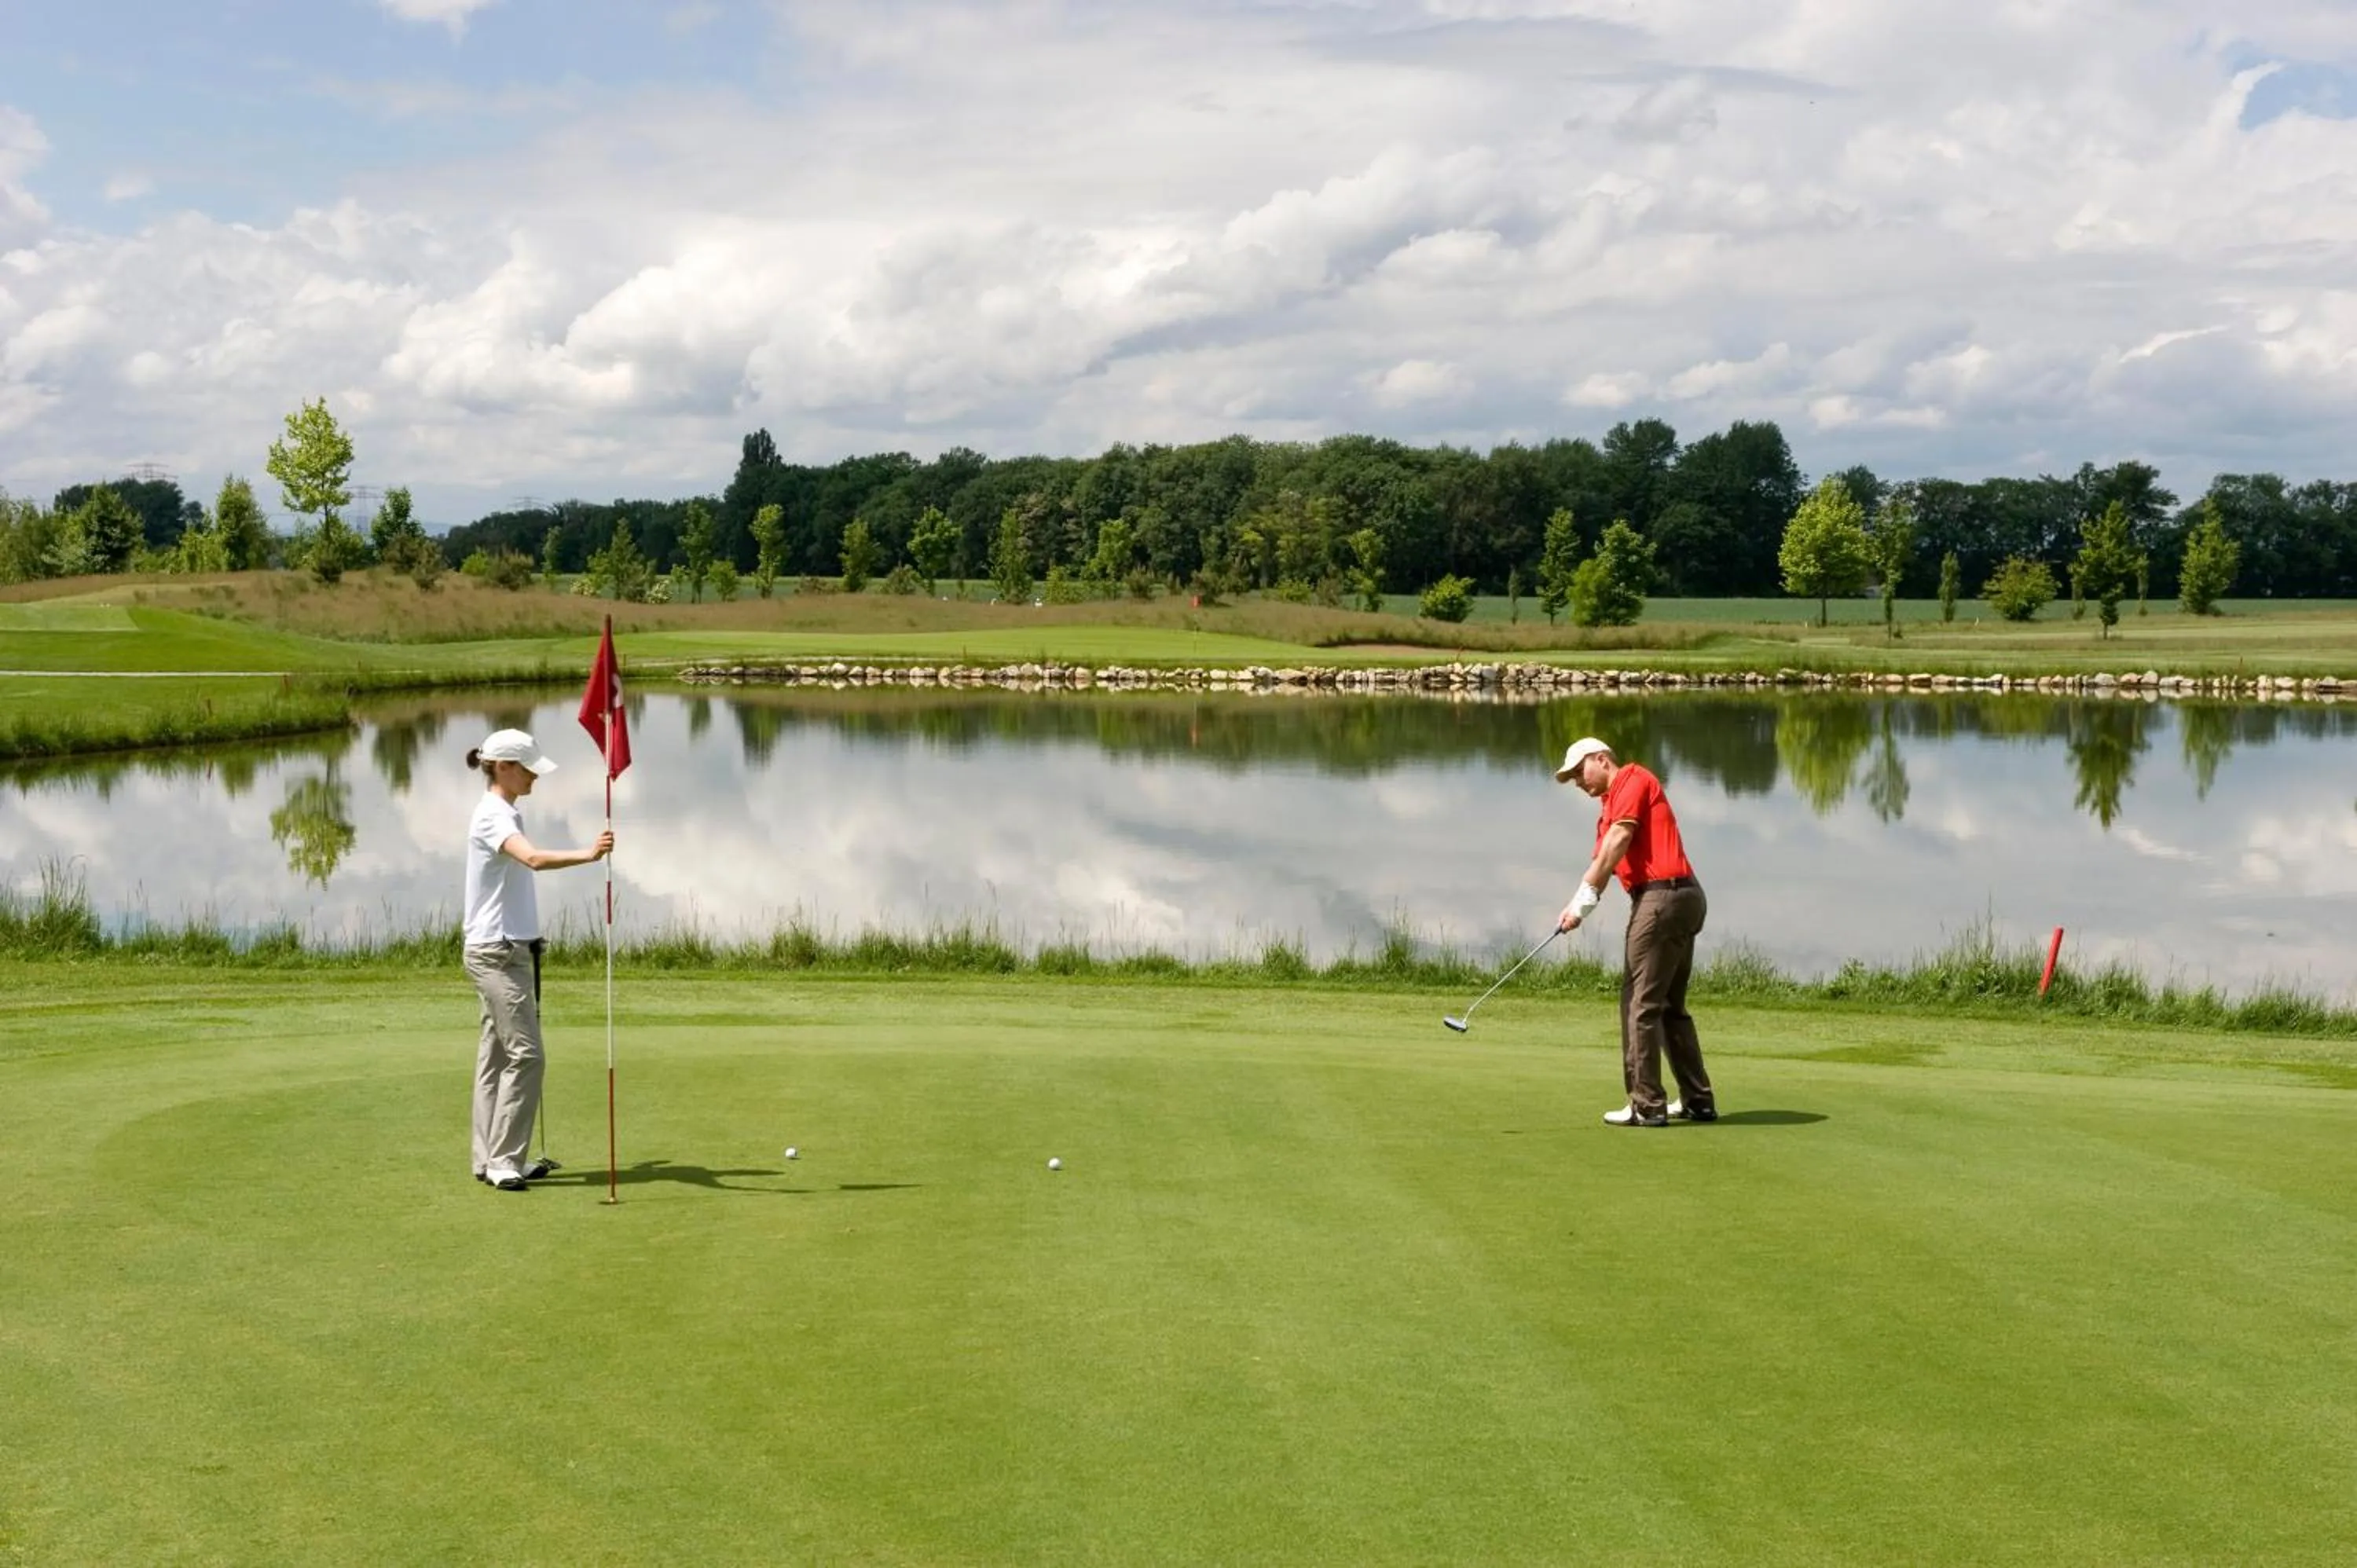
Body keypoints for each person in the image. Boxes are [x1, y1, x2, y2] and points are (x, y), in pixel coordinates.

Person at [462, 728, 614, 1191]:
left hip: (513, 949)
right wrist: (589, 854)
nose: (534, 778)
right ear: (503, 767)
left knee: (497, 1056)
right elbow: (531, 860)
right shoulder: (493, 816)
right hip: (497, 953)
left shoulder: (507, 811)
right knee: (527, 1056)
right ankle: (504, 1160)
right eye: (528, 769)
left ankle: (491, 1157)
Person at [1554, 736, 1717, 1128]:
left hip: (1663, 898)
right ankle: (1697, 1100)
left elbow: (1618, 842)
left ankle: (1646, 1103)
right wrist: (1580, 904)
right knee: (1667, 1006)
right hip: (1681, 898)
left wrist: (1584, 897)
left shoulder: (1631, 779)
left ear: (1601, 759)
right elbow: (1605, 858)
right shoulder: (1608, 809)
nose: (1578, 781)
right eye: (1572, 776)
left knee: (1638, 1003)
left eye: (1580, 771)